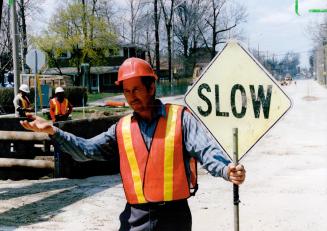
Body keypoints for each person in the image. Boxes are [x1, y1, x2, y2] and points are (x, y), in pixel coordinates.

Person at [20, 57, 246, 231]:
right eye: (127, 91)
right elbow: (86, 150)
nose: (131, 97)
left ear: (151, 88)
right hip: (135, 218)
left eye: (136, 89)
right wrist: (53, 131)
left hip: (174, 218)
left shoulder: (180, 119)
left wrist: (227, 169)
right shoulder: (121, 128)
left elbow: (206, 150)